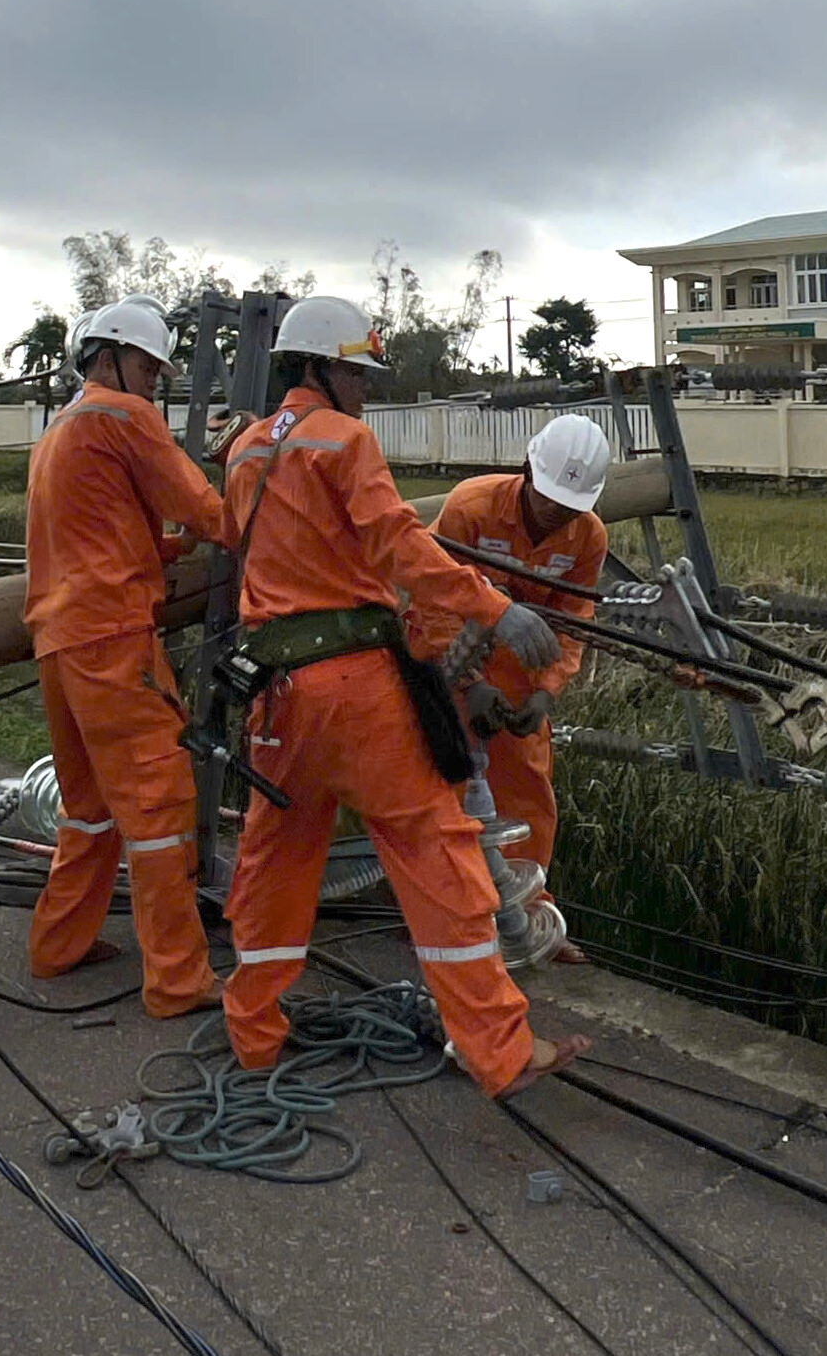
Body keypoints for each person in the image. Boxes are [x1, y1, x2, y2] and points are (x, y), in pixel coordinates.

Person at [221, 295, 590, 1099]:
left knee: (273, 863)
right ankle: (499, 1048)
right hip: (355, 684)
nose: (362, 388)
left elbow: (231, 542)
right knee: (439, 849)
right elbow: (398, 543)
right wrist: (496, 606)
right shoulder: (344, 441)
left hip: (275, 695)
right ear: (319, 365)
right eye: (355, 371)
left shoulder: (246, 448)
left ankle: (254, 1032)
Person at [23, 294, 227, 1018]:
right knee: (161, 805)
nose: (153, 380)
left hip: (60, 639)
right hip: (112, 640)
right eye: (145, 364)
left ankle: (59, 945)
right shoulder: (124, 414)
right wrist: (258, 511)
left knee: (89, 808)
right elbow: (206, 507)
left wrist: (165, 550)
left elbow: (94, 530)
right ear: (107, 356)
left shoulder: (64, 428)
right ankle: (178, 981)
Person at [423, 416, 611, 965]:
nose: (559, 514)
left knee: (527, 791)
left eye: (572, 506)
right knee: (446, 790)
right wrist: (470, 683)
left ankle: (531, 917)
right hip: (450, 658)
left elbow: (576, 618)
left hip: (524, 672)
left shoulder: (587, 535)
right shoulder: (471, 507)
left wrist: (547, 691)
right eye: (552, 500)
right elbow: (432, 597)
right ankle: (444, 915)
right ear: (528, 471)